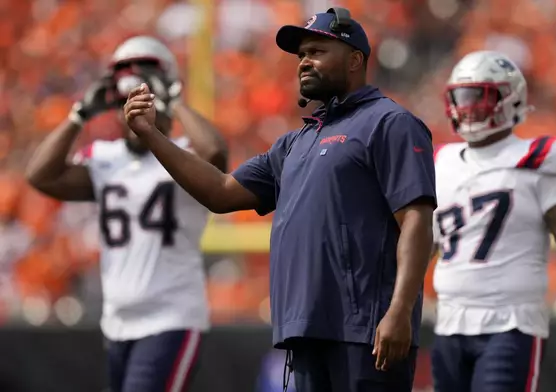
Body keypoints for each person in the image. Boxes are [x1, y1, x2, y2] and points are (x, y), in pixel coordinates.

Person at [123, 7, 436, 392]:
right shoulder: (294, 143)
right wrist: (152, 136)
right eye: (302, 53)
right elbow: (220, 193)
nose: (304, 61)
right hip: (304, 332)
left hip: (365, 334)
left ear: (356, 60)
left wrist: (400, 311)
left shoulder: (389, 123)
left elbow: (417, 223)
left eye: (318, 51)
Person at [25, 36, 228, 392]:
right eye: (127, 100)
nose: (132, 109)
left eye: (144, 98)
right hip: (118, 323)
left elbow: (215, 154)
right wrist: (79, 115)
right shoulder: (106, 157)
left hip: (170, 317)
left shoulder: (181, 156)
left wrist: (173, 98)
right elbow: (40, 175)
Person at [430, 50, 556, 391]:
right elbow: (424, 244)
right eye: (459, 97)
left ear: (508, 97)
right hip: (448, 324)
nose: (465, 107)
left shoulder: (540, 158)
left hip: (511, 325)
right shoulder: (441, 161)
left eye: (477, 95)